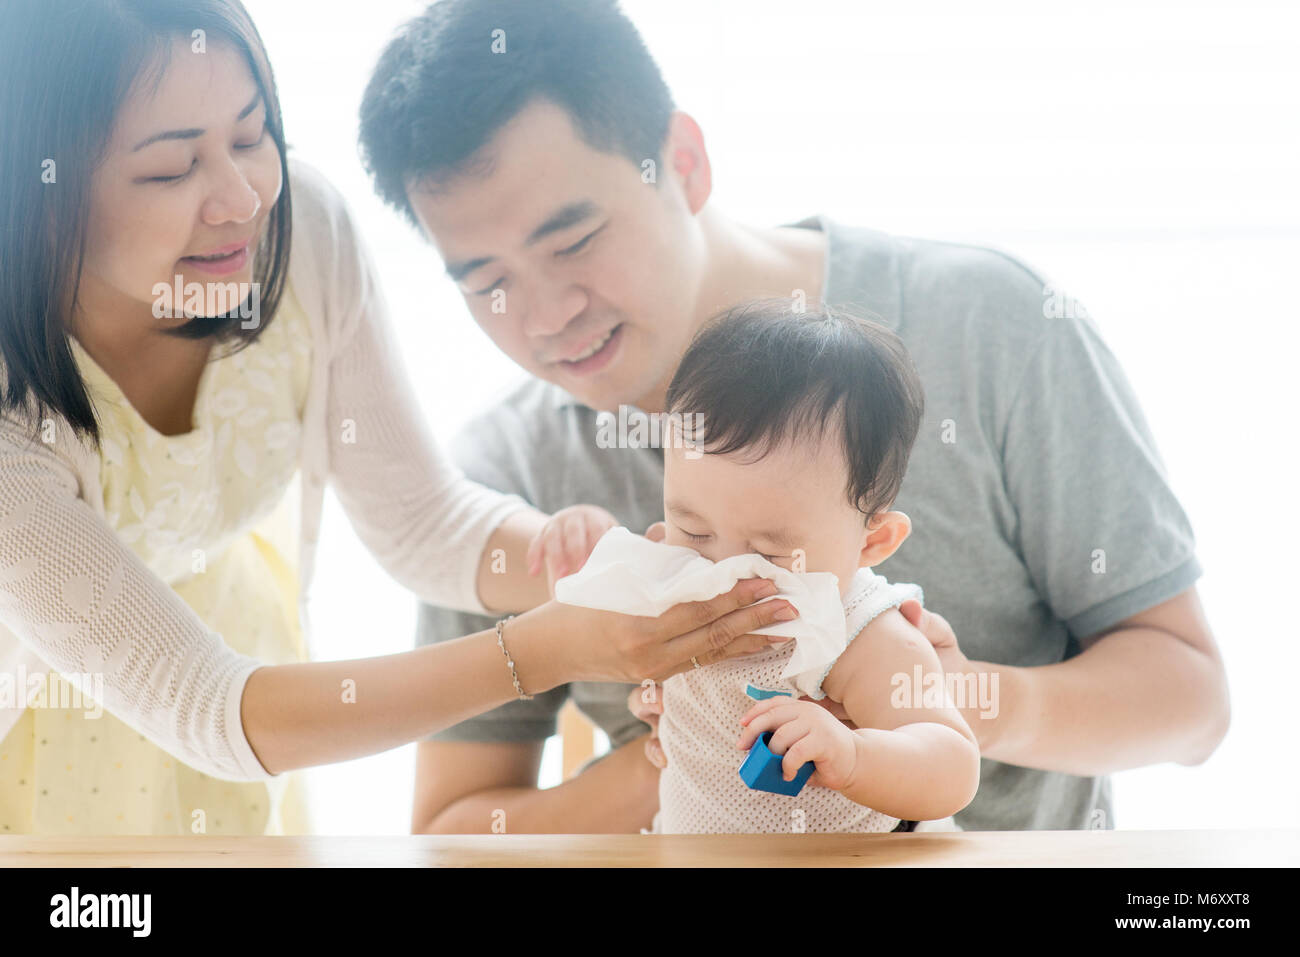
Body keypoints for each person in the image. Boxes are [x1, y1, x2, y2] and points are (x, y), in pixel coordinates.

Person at [356, 0, 1229, 834]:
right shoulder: (502, 484)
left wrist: (943, 704)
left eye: (574, 241)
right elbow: (455, 827)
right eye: (487, 282)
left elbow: (1192, 702)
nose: (545, 316)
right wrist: (678, 753)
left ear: (685, 163)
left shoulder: (990, 325)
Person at [0, 0, 796, 836]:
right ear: (40, 189)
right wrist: (550, 644)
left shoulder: (294, 232)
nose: (241, 198)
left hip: (243, 686)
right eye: (170, 170)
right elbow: (211, 704)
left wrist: (606, 569)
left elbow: (421, 520)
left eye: (248, 135)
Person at [547, 299, 981, 833]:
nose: (727, 570)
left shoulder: (863, 632)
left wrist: (853, 754)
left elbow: (952, 765)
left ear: (873, 542)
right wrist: (584, 538)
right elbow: (597, 600)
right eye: (695, 529)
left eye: (772, 553)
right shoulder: (676, 568)